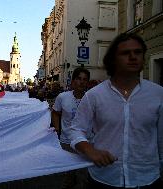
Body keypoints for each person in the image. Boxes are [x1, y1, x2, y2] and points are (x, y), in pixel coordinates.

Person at [69, 33, 163, 188]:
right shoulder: (95, 95)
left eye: (138, 52)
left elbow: (161, 138)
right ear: (113, 60)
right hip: (104, 178)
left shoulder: (158, 94)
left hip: (147, 178)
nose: (133, 56)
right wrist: (89, 150)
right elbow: (76, 129)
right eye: (126, 53)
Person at [51, 67, 90, 189]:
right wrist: (57, 129)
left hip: (85, 142)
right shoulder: (62, 97)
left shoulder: (91, 98)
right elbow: (55, 112)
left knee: (84, 176)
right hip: (67, 142)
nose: (82, 82)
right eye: (79, 79)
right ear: (73, 81)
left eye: (85, 79)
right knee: (68, 176)